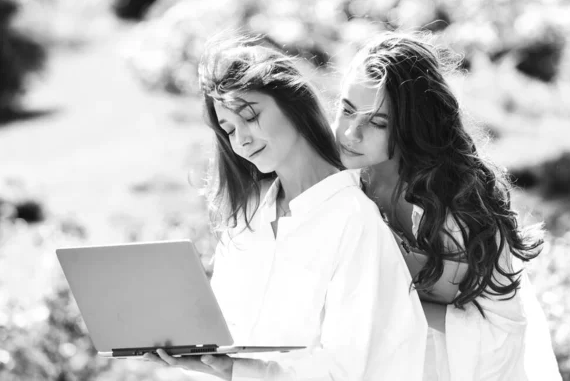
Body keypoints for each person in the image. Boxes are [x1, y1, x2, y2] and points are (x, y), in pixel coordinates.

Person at [144, 35, 428, 380]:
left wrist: (240, 370)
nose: (241, 140)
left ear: (292, 102)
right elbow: (222, 342)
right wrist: (192, 355)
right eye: (229, 129)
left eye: (250, 116)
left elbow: (352, 367)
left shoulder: (354, 220)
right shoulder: (246, 218)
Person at [332, 32, 561, 381]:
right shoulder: (342, 186)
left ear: (412, 126)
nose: (351, 133)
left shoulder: (459, 204)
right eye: (346, 110)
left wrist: (399, 308)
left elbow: (506, 330)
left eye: (377, 122)